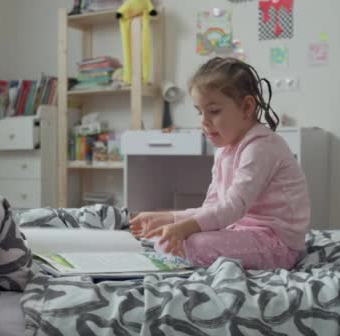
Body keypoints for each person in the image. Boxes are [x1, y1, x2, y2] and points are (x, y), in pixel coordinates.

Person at [130, 57, 310, 270]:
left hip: (279, 245)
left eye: (214, 111)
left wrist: (184, 228)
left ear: (246, 107)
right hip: (242, 231)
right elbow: (213, 208)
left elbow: (233, 206)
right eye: (200, 111)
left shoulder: (261, 147)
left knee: (190, 245)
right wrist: (169, 218)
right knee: (166, 241)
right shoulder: (224, 150)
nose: (204, 121)